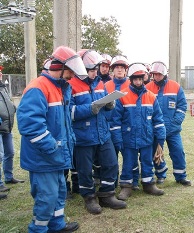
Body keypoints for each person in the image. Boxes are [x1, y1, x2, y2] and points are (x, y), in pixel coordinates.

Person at [17, 46, 86, 233]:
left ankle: (57, 225)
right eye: (70, 70)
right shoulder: (38, 87)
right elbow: (30, 125)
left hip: (56, 156)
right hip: (44, 157)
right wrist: (52, 147)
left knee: (59, 193)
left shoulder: (60, 87)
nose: (72, 75)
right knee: (46, 197)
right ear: (59, 66)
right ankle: (37, 229)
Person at [69, 49, 126, 215]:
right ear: (82, 69)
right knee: (85, 170)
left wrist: (110, 105)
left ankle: (107, 194)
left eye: (96, 70)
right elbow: (69, 113)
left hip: (103, 133)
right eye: (92, 70)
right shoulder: (71, 85)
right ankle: (89, 197)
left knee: (111, 164)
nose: (96, 73)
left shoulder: (100, 83)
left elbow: (105, 106)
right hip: (83, 136)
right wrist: (89, 108)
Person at [115, 63, 166, 200]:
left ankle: (149, 184)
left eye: (140, 78)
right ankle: (126, 186)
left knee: (147, 162)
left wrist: (160, 139)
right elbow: (115, 121)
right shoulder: (122, 96)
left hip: (146, 137)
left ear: (144, 79)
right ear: (130, 79)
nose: (138, 81)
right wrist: (118, 139)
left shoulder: (151, 96)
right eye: (135, 79)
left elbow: (158, 119)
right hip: (128, 138)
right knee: (128, 163)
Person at [146, 61, 191, 186]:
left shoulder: (175, 86)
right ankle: (160, 174)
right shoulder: (148, 88)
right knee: (157, 153)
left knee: (178, 151)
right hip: (155, 129)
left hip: (172, 129)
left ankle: (181, 176)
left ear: (164, 74)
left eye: (159, 74)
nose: (157, 77)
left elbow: (182, 106)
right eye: (154, 74)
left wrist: (175, 122)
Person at [105, 55, 140, 190]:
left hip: (127, 128)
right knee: (110, 158)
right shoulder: (106, 85)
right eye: (117, 68)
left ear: (126, 71)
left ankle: (134, 181)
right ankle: (112, 182)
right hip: (109, 127)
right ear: (112, 70)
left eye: (122, 68)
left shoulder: (131, 85)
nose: (119, 70)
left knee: (130, 156)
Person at [0, 65, 24, 189]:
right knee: (0, 155)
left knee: (9, 152)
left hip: (7, 126)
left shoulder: (3, 88)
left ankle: (8, 177)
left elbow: (7, 103)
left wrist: (13, 109)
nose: (0, 74)